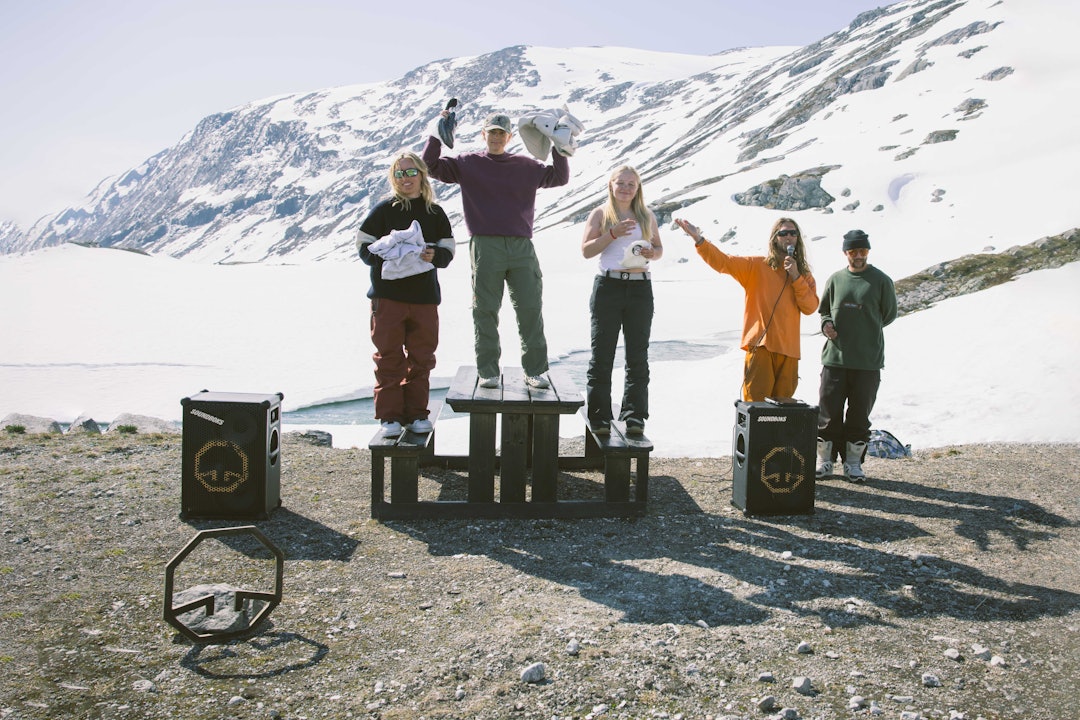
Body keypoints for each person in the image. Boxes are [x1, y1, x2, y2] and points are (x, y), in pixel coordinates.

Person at [423, 111, 570, 390]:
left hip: (521, 246)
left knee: (530, 309)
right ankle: (488, 371)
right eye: (492, 132)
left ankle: (535, 370)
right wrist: (437, 133)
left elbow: (560, 177)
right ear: (483, 134)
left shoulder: (526, 166)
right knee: (485, 310)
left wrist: (557, 144)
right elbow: (429, 165)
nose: (496, 137)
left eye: (501, 133)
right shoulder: (468, 163)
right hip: (485, 245)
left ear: (509, 137)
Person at [357, 152, 455, 436]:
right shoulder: (383, 210)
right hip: (387, 298)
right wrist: (386, 256)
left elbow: (448, 253)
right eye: (399, 174)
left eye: (410, 173)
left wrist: (432, 254)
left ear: (422, 175)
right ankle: (389, 417)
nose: (405, 179)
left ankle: (416, 414)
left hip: (424, 298)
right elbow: (364, 246)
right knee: (388, 356)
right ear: (393, 178)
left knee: (421, 357)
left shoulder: (435, 213)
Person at [674, 217, 819, 402]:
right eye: (783, 233)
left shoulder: (803, 275)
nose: (788, 237)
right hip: (761, 347)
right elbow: (724, 262)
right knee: (757, 408)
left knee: (783, 414)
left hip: (789, 352)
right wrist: (699, 240)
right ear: (775, 238)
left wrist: (796, 276)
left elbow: (810, 307)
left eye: (793, 233)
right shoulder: (756, 266)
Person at [580, 166, 663, 436]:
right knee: (602, 354)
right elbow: (586, 251)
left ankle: (635, 415)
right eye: (621, 183)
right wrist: (612, 234)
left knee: (637, 355)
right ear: (611, 185)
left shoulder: (646, 215)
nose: (626, 188)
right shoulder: (601, 214)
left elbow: (659, 249)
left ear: (638, 188)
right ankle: (600, 416)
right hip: (609, 286)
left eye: (631, 184)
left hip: (640, 288)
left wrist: (653, 252)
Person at [815, 229, 898, 482]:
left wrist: (865, 328)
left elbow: (889, 314)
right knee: (828, 415)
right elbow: (824, 310)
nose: (858, 256)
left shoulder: (881, 281)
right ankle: (825, 462)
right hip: (835, 359)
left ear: (868, 252)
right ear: (845, 253)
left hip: (867, 361)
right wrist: (827, 324)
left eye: (862, 251)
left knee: (859, 415)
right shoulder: (836, 279)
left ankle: (853, 465)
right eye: (853, 251)